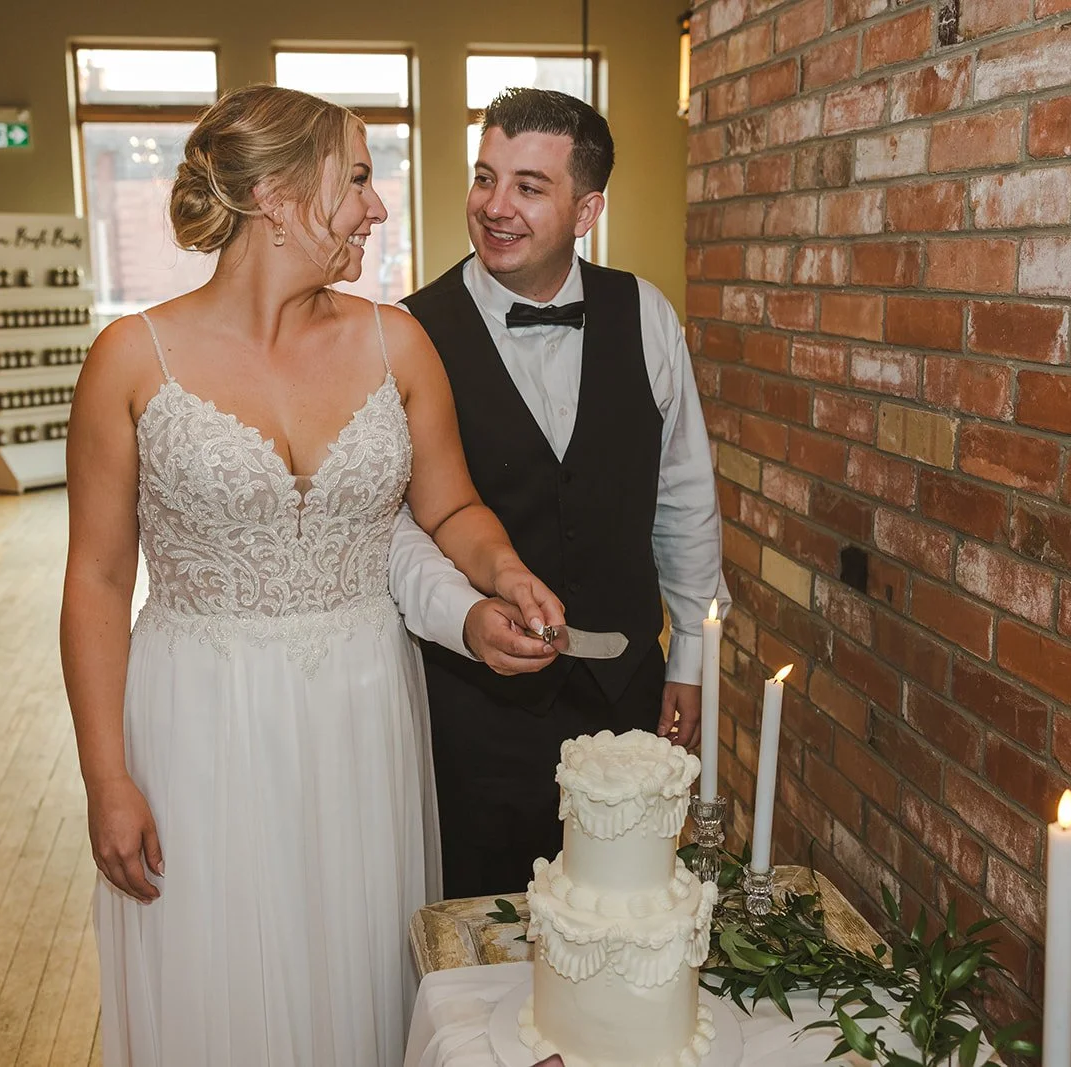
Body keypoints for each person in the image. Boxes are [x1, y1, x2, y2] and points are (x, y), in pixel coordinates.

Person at [59, 84, 563, 1067]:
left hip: (360, 709)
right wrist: (104, 774)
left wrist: (502, 570)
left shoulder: (396, 343)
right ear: (279, 197)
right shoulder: (130, 359)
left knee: (354, 966)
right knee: (218, 971)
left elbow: (449, 507)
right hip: (199, 716)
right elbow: (94, 578)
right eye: (362, 181)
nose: (378, 208)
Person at [389, 88, 731, 900]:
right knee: (483, 926)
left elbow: (684, 496)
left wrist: (689, 657)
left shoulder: (644, 313)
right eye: (484, 177)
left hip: (626, 695)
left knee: (625, 914)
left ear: (587, 209)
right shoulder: (410, 332)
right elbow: (397, 526)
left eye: (529, 187)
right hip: (473, 704)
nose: (494, 207)